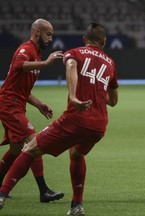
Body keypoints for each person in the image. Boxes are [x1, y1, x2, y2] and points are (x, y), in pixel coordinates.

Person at [0, 22, 119, 215]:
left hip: (74, 117)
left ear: (84, 39)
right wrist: (97, 90)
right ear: (104, 42)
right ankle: (73, 204)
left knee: (27, 148)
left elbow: (70, 64)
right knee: (73, 153)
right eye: (48, 35)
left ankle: (3, 194)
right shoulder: (111, 62)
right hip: (98, 125)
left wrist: (70, 96)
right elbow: (113, 101)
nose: (50, 39)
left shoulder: (75, 52)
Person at [0, 18, 64, 202]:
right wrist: (45, 63)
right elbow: (20, 65)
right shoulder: (26, 49)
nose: (51, 38)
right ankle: (44, 191)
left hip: (15, 103)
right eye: (48, 34)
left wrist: (39, 104)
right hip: (8, 104)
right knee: (35, 141)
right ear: (37, 32)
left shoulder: (35, 52)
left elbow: (22, 91)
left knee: (16, 149)